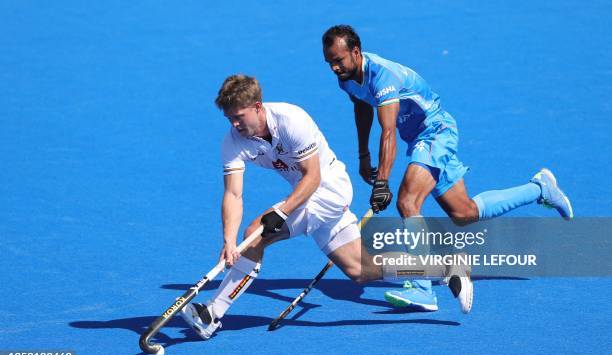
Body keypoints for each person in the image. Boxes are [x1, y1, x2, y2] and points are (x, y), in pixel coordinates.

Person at [179, 74, 473, 339]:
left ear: (257, 106)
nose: (234, 124)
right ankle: (446, 268)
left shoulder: (292, 119)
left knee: (256, 232)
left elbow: (313, 176)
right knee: (361, 270)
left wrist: (280, 213)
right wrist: (228, 242)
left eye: (239, 116)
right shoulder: (233, 141)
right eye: (229, 118)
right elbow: (233, 195)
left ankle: (213, 313)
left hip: (328, 189)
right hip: (306, 196)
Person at [322, 25, 573, 311]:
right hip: (418, 138)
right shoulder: (346, 78)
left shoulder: (383, 76)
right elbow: (362, 107)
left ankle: (422, 288)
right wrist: (364, 155)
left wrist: (382, 182)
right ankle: (540, 188)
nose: (333, 67)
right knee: (464, 212)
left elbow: (388, 131)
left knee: (407, 201)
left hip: (435, 132)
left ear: (355, 52)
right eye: (329, 62)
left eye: (338, 60)